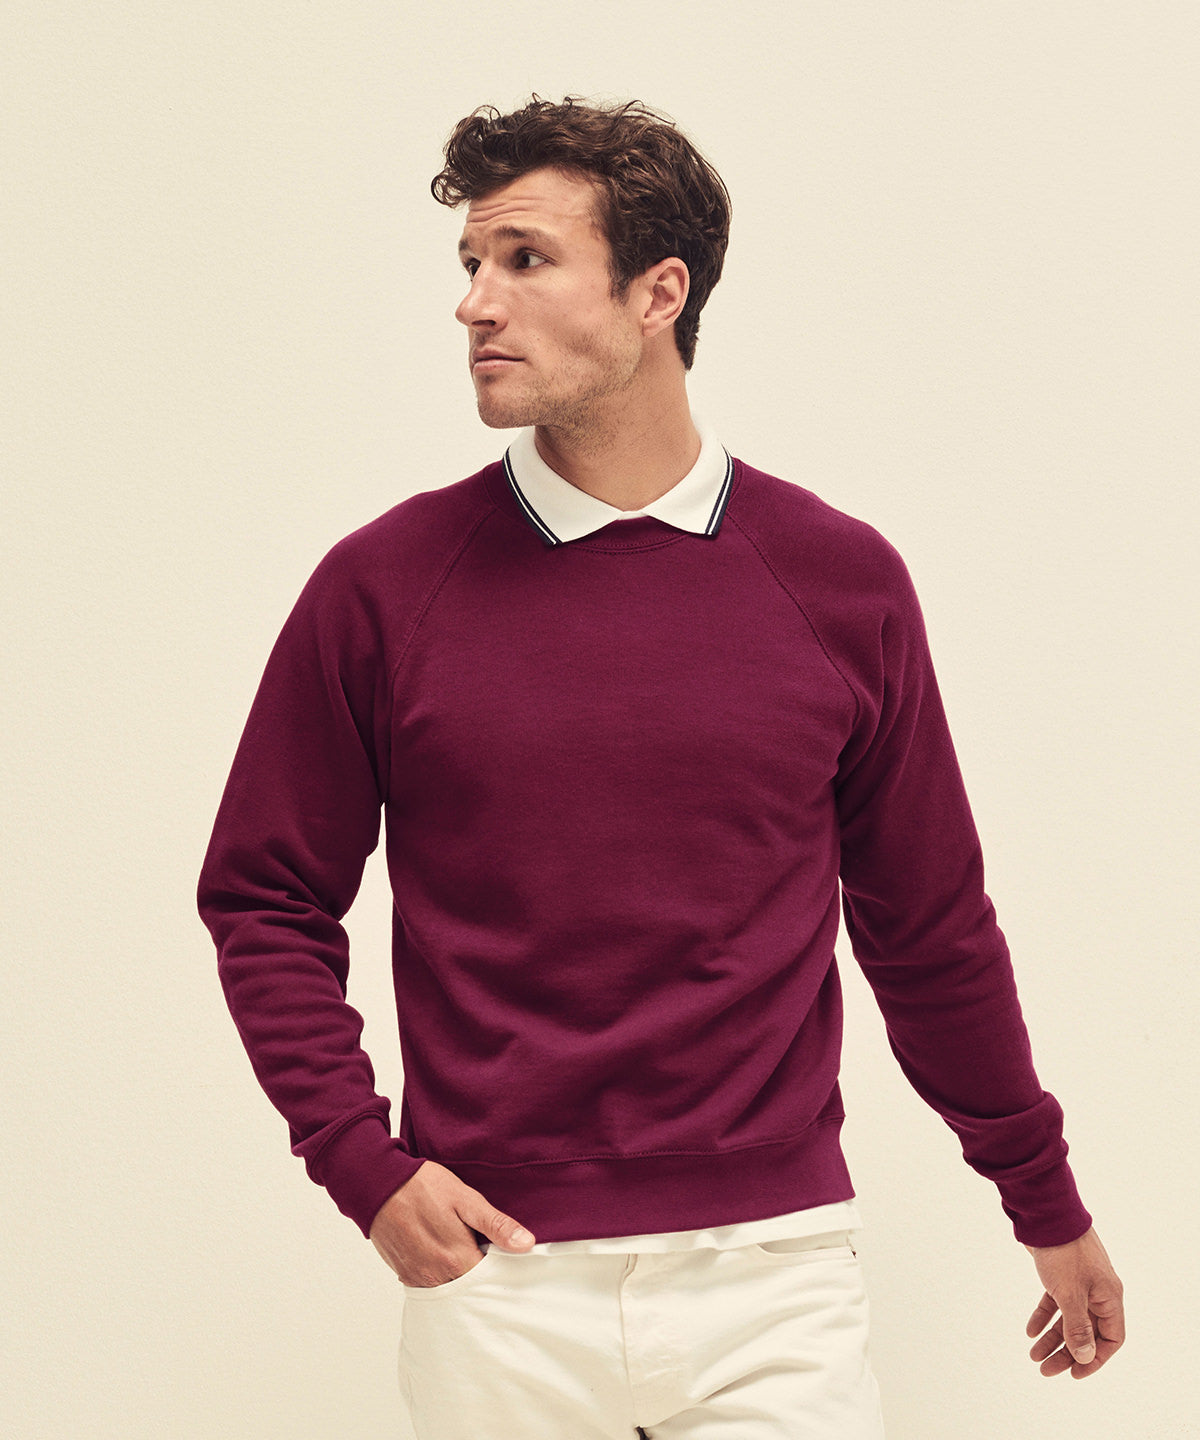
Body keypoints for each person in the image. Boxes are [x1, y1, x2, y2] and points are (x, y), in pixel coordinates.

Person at [197, 95, 1124, 1438]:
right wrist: (360, 1160)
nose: (474, 303)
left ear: (657, 293)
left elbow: (927, 926)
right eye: (471, 263)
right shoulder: (383, 588)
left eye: (525, 259)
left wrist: (1044, 1199)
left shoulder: (838, 582)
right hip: (497, 1281)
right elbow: (266, 896)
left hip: (776, 1278)